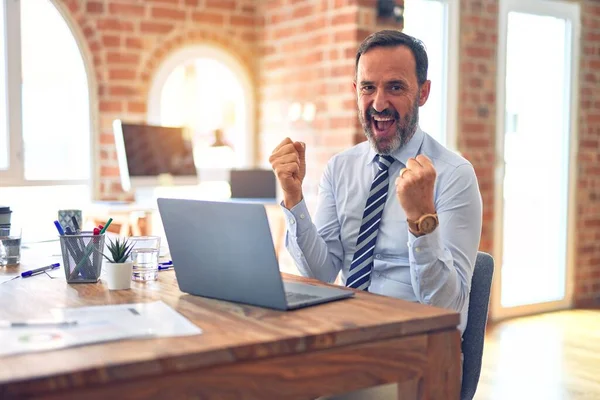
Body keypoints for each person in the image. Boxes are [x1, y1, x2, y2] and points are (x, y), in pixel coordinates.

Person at [268, 30, 482, 334]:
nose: (379, 103)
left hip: (418, 343)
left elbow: (448, 306)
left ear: (423, 92)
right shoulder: (340, 168)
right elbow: (321, 273)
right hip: (345, 329)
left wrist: (421, 220)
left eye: (395, 87)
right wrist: (293, 197)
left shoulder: (454, 175)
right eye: (368, 87)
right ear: (356, 90)